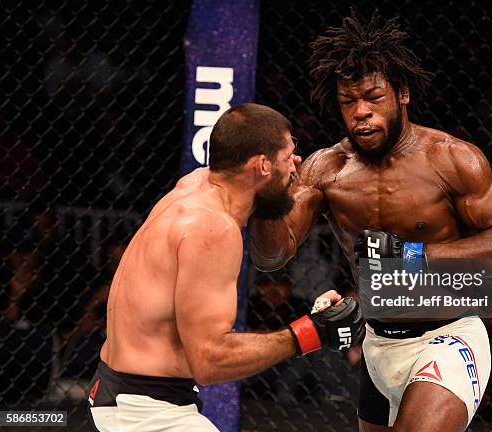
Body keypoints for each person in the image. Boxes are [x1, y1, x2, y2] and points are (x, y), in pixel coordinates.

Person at [247, 12, 492, 432]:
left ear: (402, 94)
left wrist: (412, 255)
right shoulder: (326, 170)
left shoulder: (451, 159)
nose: (360, 111)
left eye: (373, 97)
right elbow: (271, 256)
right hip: (376, 345)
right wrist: (266, 196)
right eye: (348, 101)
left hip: (448, 336)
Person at [87, 103, 364, 431]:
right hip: (146, 411)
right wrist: (311, 332)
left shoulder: (196, 184)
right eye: (288, 155)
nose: (297, 164)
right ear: (262, 165)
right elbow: (209, 359)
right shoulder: (212, 228)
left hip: (128, 394)